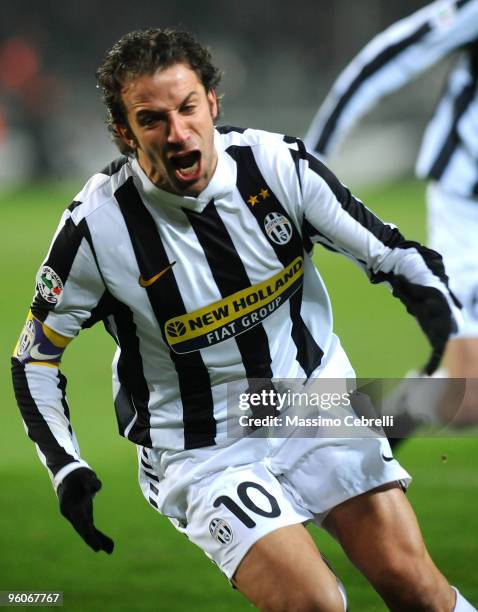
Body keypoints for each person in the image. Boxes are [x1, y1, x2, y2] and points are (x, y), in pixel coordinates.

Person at [11, 28, 475, 611]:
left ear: (213, 104)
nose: (178, 133)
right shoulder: (96, 231)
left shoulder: (278, 166)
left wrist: (444, 328)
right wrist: (65, 465)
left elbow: (394, 255)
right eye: (152, 119)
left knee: (419, 590)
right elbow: (34, 359)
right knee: (316, 604)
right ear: (124, 133)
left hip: (312, 404)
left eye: (188, 108)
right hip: (199, 446)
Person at [305, 0, 478, 438]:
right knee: (466, 398)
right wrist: (310, 161)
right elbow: (387, 58)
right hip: (467, 204)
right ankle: (366, 436)